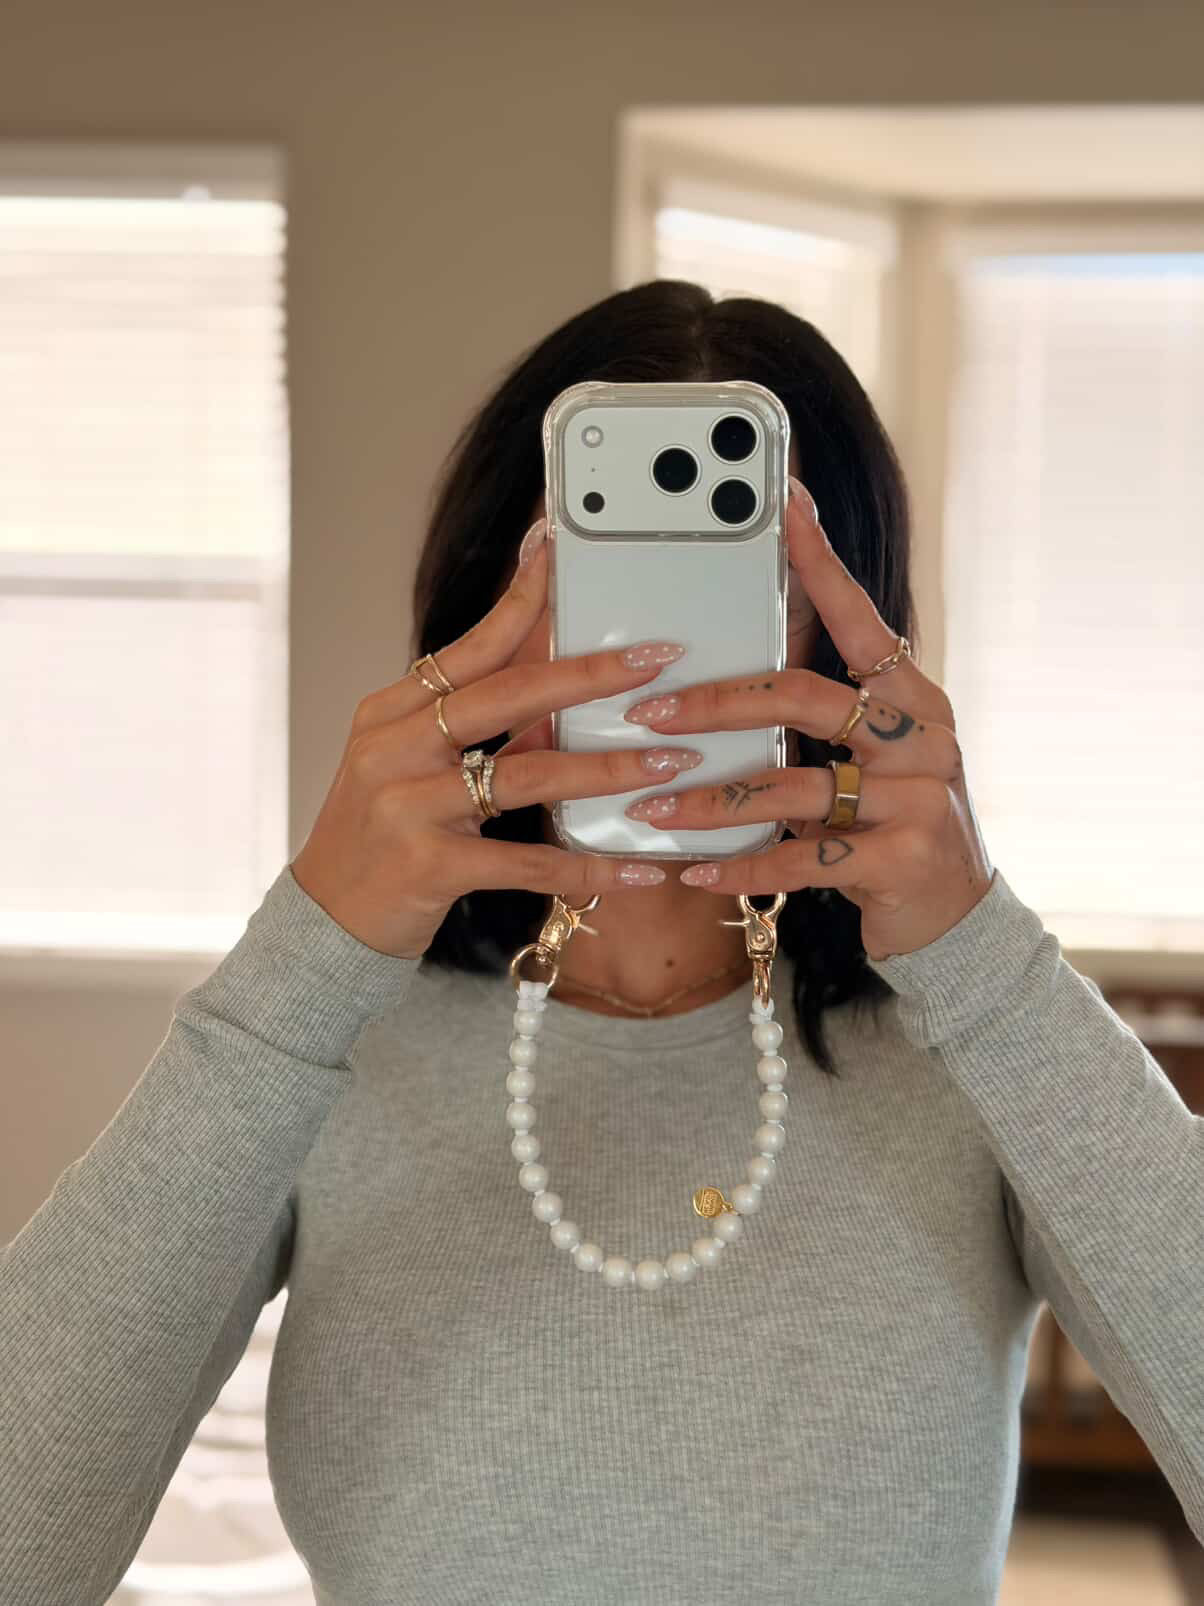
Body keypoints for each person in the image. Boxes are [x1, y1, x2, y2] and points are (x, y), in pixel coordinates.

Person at [2, 281, 1200, 1606]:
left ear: (847, 622)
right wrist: (307, 955)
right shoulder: (326, 1040)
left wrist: (988, 958)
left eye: (734, 571)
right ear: (484, 606)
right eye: (597, 560)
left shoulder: (971, 1044)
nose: (657, 649)